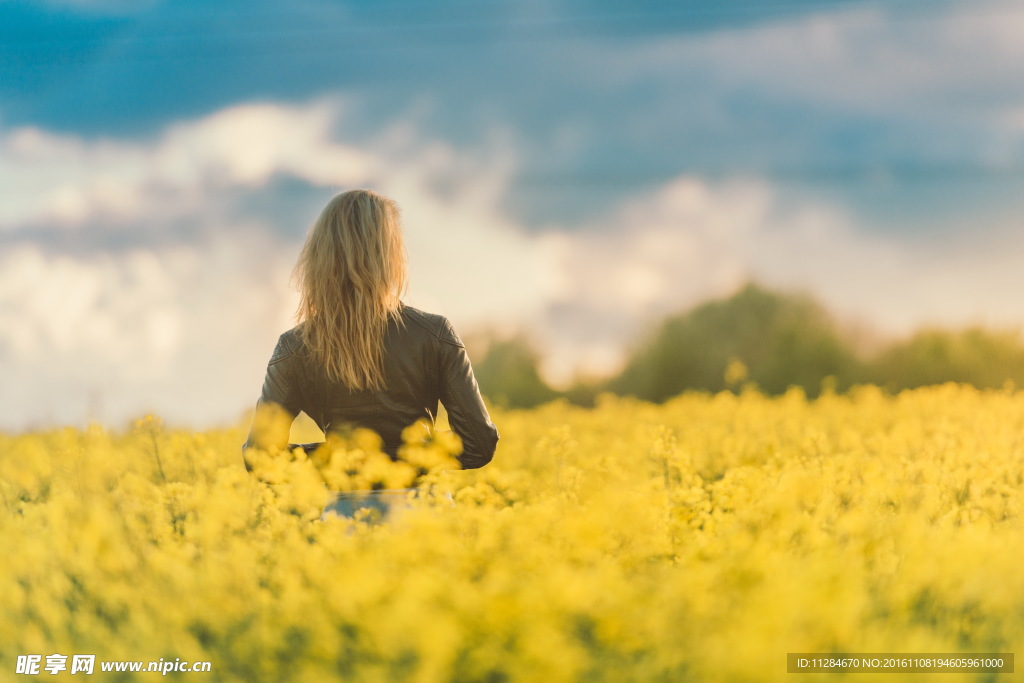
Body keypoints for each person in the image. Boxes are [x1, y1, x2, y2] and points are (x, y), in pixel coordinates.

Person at [243, 189, 498, 520]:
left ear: (320, 255)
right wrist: (406, 457)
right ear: (390, 255)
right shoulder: (433, 333)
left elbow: (260, 458)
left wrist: (343, 457)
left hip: (345, 516)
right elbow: (478, 444)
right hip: (426, 514)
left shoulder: (295, 347)